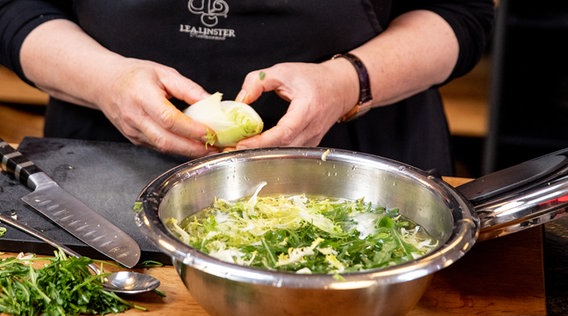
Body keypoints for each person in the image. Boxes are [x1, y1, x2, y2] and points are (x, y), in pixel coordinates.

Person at [0, 0, 494, 176]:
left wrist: (348, 82)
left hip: (355, 169)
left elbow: (462, 13)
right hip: (104, 163)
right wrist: (105, 81)